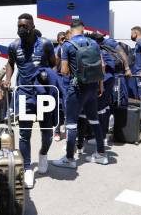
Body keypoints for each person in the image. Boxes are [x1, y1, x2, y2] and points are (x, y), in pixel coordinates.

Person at [0, 13, 56, 189]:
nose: (21, 29)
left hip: (43, 94)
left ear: (32, 27)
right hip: (23, 93)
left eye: (24, 26)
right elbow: (11, 63)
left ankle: (43, 154)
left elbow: (54, 64)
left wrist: (49, 76)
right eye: (19, 26)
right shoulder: (13, 46)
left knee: (47, 132)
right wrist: (7, 79)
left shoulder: (45, 44)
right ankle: (27, 168)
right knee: (24, 133)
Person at [52, 19, 108, 169]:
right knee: (94, 119)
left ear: (70, 29)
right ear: (83, 29)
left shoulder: (67, 45)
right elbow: (102, 65)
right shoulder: (94, 43)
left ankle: (70, 159)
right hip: (93, 87)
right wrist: (100, 85)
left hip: (76, 88)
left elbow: (64, 70)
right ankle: (101, 154)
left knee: (71, 123)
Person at [53, 31, 67, 141]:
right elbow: (54, 66)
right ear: (58, 40)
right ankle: (56, 132)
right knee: (57, 106)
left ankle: (67, 131)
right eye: (62, 39)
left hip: (67, 79)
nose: (64, 40)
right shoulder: (55, 50)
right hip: (58, 79)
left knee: (67, 107)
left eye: (65, 38)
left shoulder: (69, 49)